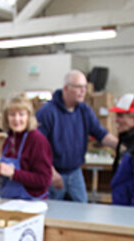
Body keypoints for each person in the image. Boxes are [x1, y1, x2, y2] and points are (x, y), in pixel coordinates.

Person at [36, 70, 118, 203]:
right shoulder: (47, 113)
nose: (83, 91)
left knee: (81, 210)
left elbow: (101, 134)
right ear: (66, 88)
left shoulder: (84, 111)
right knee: (53, 211)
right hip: (54, 173)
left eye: (84, 87)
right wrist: (50, 171)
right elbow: (37, 147)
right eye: (78, 87)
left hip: (75, 172)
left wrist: (122, 146)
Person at [0, 96, 52, 199]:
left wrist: (14, 173)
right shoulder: (9, 141)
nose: (17, 119)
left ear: (28, 117)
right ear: (6, 118)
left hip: (31, 203)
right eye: (12, 114)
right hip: (9, 201)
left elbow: (44, 180)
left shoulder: (37, 140)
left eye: (21, 114)